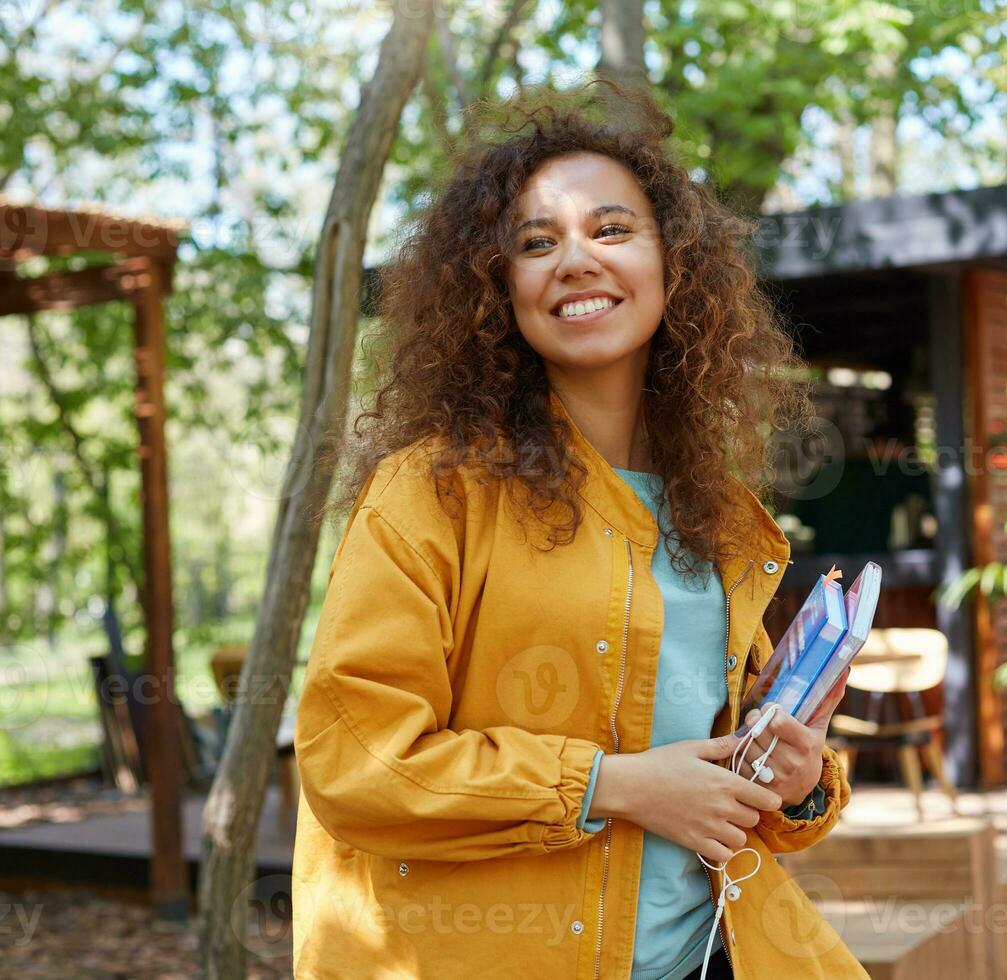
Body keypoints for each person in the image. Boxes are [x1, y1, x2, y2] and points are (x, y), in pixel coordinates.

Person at [292, 80, 870, 980]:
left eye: (610, 229)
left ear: (672, 265)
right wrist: (616, 785)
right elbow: (355, 760)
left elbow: (718, 783)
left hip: (708, 956)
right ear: (498, 288)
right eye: (535, 243)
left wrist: (791, 786)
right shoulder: (431, 493)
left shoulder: (711, 511)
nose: (574, 259)